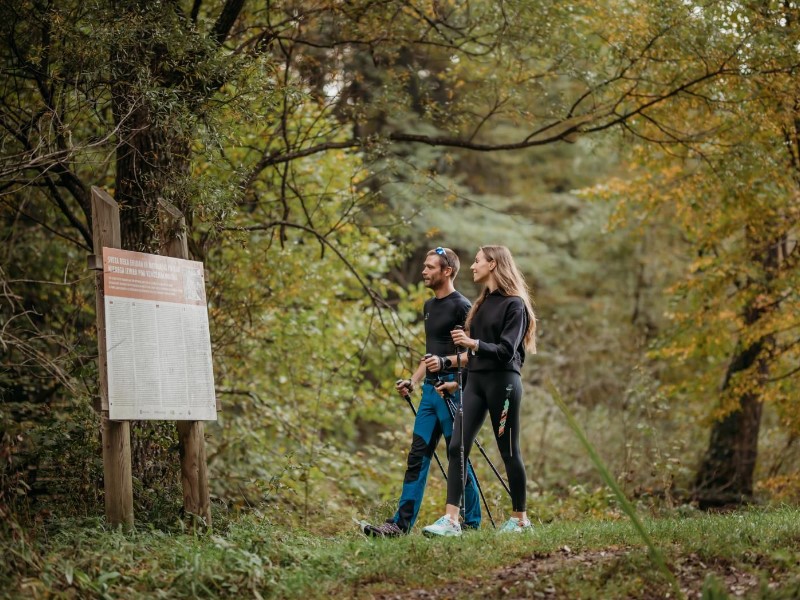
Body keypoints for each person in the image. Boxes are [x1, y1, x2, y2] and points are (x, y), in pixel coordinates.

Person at [360, 247, 482, 537]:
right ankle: (399, 525)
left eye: (430, 267)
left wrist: (447, 367)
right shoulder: (429, 306)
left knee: (458, 456)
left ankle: (471, 522)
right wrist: (413, 381)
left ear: (447, 271)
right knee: (418, 455)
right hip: (429, 392)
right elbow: (430, 354)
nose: (424, 271)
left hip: (452, 390)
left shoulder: (462, 306)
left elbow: (473, 356)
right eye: (425, 266)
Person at [422, 245, 536, 536]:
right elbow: (476, 357)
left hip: (504, 384)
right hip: (475, 383)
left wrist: (472, 343)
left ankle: (521, 520)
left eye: (477, 261)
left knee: (508, 450)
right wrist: (457, 381)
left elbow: (506, 350)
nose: (472, 266)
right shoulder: (481, 304)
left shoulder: (515, 304)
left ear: (494, 264)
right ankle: (451, 520)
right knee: (457, 446)